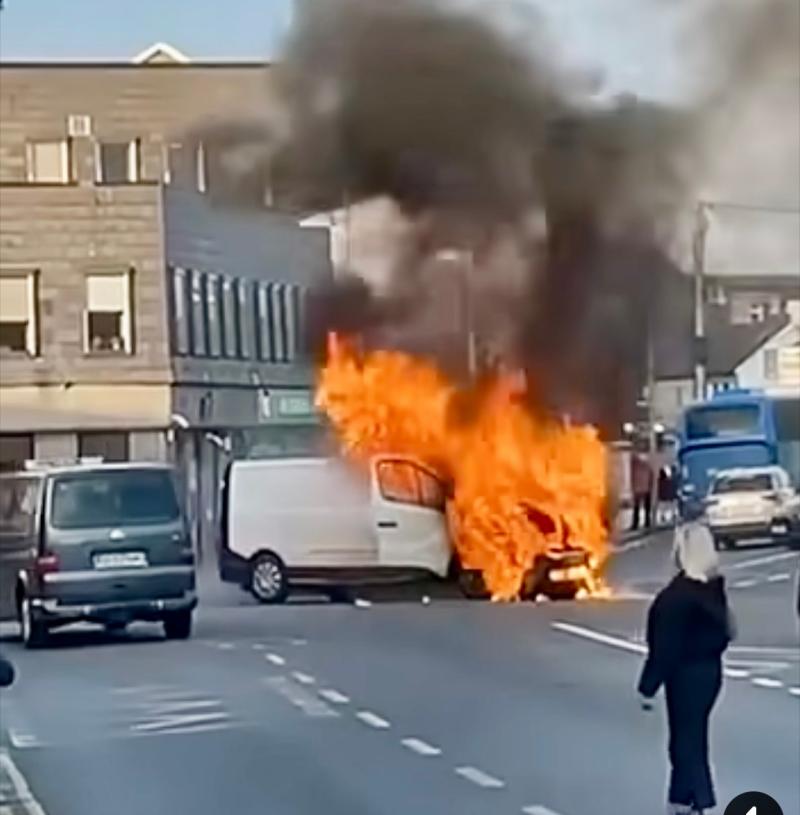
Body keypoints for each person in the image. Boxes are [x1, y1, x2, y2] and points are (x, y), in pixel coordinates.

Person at [637, 514, 733, 815]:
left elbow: (664, 647)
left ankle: (698, 799)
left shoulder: (676, 598)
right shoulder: (712, 592)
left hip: (685, 677)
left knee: (685, 741)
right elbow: (726, 632)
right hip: (710, 674)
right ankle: (681, 798)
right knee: (691, 736)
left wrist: (647, 687)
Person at [630, 450, 653, 530]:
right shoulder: (646, 460)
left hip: (640, 486)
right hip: (644, 485)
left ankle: (637, 523)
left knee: (638, 506)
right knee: (644, 505)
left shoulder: (634, 459)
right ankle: (646, 522)